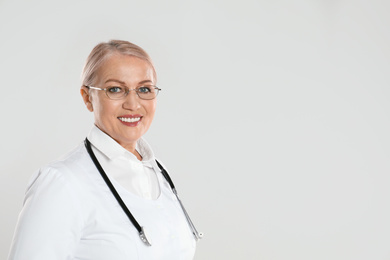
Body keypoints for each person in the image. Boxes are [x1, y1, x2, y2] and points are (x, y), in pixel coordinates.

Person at [8, 40, 201, 260]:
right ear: (87, 97)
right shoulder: (62, 183)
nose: (133, 104)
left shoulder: (159, 173)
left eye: (144, 89)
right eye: (115, 89)